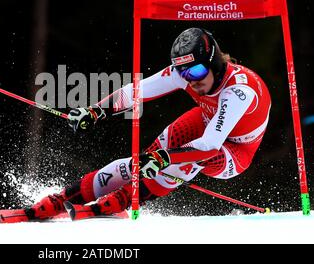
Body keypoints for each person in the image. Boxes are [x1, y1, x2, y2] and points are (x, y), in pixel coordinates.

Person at [14, 27, 271, 221]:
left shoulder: (238, 91)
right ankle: (67, 196)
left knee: (187, 158)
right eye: (183, 74)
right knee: (150, 154)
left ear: (214, 62)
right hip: (206, 121)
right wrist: (95, 111)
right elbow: (136, 91)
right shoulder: (190, 73)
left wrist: (164, 159)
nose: (190, 81)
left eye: (196, 73)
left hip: (233, 151)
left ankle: (122, 200)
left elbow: (210, 146)